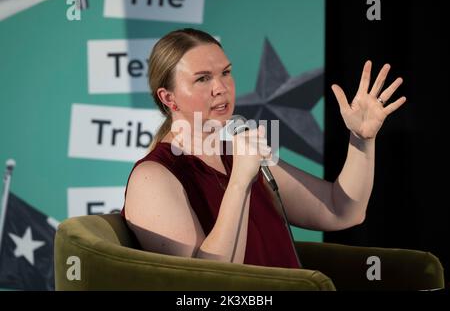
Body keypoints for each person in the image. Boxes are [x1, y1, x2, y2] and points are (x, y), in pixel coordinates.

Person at [121, 28, 406, 269]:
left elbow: (341, 210)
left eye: (226, 72)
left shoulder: (238, 151)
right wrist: (241, 181)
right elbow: (205, 284)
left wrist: (360, 139)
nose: (221, 87)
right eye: (202, 78)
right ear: (169, 98)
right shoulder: (154, 178)